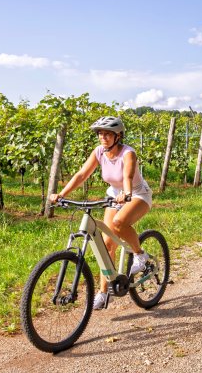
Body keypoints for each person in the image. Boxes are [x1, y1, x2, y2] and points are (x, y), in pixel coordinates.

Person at [49, 116, 153, 310]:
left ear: (118, 136)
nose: (102, 137)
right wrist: (61, 194)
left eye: (107, 134)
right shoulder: (99, 152)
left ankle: (140, 254)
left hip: (137, 194)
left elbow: (127, 176)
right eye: (100, 134)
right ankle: (104, 292)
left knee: (120, 222)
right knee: (106, 244)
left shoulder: (128, 153)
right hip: (113, 195)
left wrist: (127, 193)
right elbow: (82, 174)